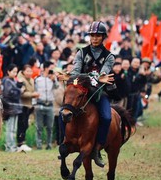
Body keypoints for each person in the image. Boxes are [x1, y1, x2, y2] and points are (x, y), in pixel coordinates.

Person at [60, 21, 115, 168]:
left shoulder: (109, 56)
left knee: (107, 117)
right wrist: (73, 76)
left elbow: (104, 73)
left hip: (98, 92)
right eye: (92, 35)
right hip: (80, 91)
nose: (94, 38)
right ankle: (64, 141)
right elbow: (76, 72)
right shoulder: (81, 52)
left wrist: (95, 77)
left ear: (103, 37)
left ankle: (97, 149)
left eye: (97, 36)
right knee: (62, 112)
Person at [34, 61, 58, 150]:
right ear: (45, 68)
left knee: (50, 127)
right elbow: (34, 91)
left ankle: (49, 144)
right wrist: (34, 104)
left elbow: (57, 86)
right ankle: (39, 145)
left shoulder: (52, 79)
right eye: (50, 68)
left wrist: (54, 79)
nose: (51, 70)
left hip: (50, 105)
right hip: (39, 104)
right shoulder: (37, 79)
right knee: (39, 127)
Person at [2, 64, 23, 152]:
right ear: (8, 71)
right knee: (10, 129)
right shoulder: (7, 81)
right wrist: (19, 91)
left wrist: (18, 86)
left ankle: (12, 146)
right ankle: (9, 146)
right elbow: (8, 93)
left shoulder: (13, 80)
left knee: (14, 129)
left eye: (16, 72)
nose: (15, 73)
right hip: (10, 108)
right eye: (13, 71)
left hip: (15, 108)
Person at [17, 64, 39, 152]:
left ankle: (23, 142)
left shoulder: (32, 80)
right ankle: (20, 143)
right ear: (23, 71)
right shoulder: (20, 80)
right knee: (21, 125)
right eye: (27, 71)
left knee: (26, 124)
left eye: (31, 71)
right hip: (22, 105)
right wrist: (33, 95)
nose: (29, 73)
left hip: (29, 105)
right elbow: (21, 94)